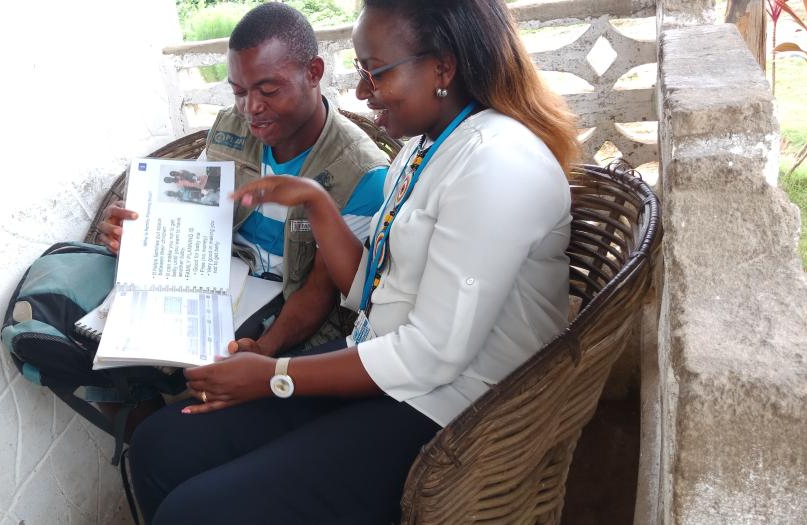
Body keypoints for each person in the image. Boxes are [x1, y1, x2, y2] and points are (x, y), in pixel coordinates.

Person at [126, 0, 581, 523]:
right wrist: (317, 204)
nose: (362, 91)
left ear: (443, 66)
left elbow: (433, 354)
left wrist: (275, 375)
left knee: (195, 511)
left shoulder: (497, 163)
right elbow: (373, 292)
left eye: (375, 72)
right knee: (162, 445)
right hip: (387, 366)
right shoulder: (423, 148)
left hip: (453, 410)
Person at [91, 2, 391, 432]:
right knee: (87, 328)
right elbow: (188, 207)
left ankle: (161, 430)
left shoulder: (360, 174)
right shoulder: (232, 126)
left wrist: (264, 352)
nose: (250, 108)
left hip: (282, 309)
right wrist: (138, 230)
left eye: (268, 90)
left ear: (314, 72)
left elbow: (317, 292)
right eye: (237, 91)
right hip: (209, 282)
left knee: (188, 416)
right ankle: (146, 415)